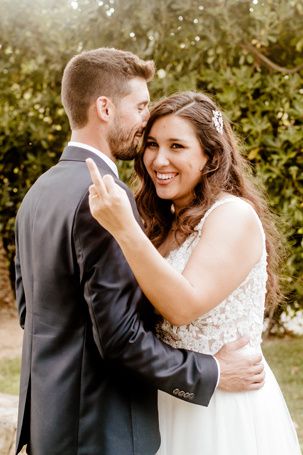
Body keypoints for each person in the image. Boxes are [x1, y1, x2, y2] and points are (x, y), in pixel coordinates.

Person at [14, 50, 264, 455]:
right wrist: (212, 371)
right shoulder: (106, 199)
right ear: (105, 108)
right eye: (142, 106)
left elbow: (33, 312)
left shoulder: (38, 193)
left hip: (55, 419)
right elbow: (118, 337)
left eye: (176, 146)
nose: (146, 118)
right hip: (100, 425)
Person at [86, 91, 301, 454]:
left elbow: (183, 306)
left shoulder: (233, 216)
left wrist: (124, 229)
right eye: (152, 144)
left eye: (177, 146)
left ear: (210, 157)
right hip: (166, 400)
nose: (159, 159)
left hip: (222, 412)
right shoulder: (162, 223)